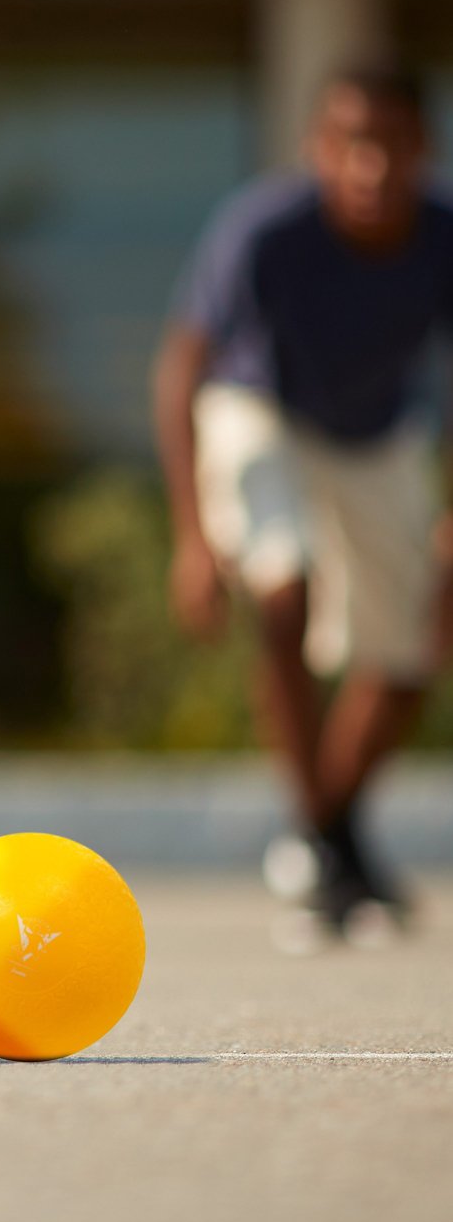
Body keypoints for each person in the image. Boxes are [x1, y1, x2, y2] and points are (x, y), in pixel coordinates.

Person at [154, 61, 453, 947]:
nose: (370, 167)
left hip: (378, 433)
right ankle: (328, 844)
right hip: (261, 411)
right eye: (350, 146)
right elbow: (181, 367)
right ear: (318, 151)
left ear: (422, 149)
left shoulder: (443, 233)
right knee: (283, 594)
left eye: (390, 145)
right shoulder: (264, 229)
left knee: (410, 648)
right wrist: (191, 539)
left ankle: (329, 834)